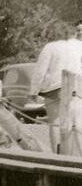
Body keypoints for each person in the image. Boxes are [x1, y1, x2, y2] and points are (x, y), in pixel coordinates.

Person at [29, 21, 82, 152]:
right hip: (77, 88)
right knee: (77, 123)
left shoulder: (50, 47)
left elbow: (40, 72)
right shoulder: (79, 45)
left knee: (55, 123)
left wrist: (33, 91)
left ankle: (57, 155)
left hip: (55, 89)